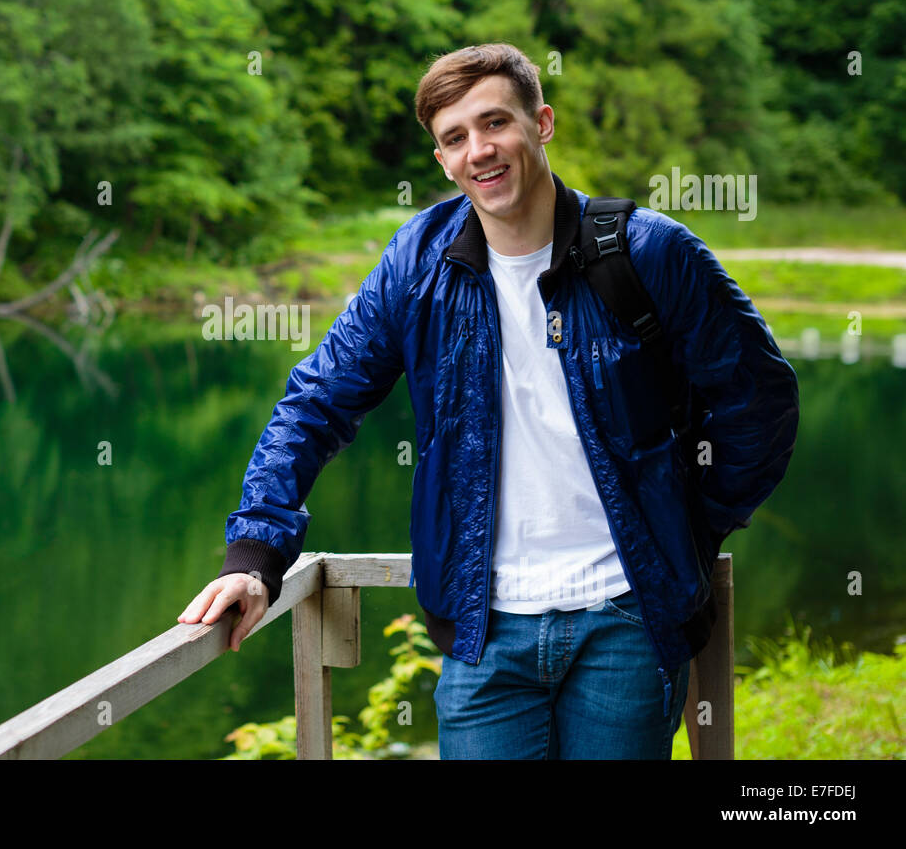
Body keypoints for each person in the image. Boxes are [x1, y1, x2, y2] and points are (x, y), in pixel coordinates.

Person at [177, 42, 800, 759]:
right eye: (455, 138)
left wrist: (689, 527)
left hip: (626, 623)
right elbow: (315, 403)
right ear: (441, 160)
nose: (480, 150)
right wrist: (254, 555)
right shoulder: (418, 263)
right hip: (483, 634)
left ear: (542, 122)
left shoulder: (649, 252)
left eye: (495, 122)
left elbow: (761, 400)